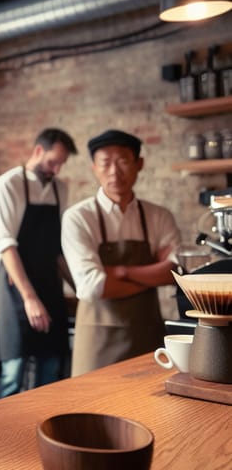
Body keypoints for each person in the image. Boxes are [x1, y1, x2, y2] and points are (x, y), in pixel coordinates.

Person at [61, 129, 181, 376]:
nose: (114, 172)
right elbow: (91, 286)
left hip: (149, 340)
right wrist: (151, 276)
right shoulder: (78, 217)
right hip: (96, 344)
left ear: (140, 164)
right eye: (105, 163)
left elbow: (174, 271)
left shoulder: (158, 216)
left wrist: (121, 271)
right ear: (94, 167)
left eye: (124, 161)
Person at [0, 128, 77, 398]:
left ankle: (42, 429)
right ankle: (3, 433)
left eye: (61, 164)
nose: (56, 170)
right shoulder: (7, 185)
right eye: (52, 162)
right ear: (38, 151)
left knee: (51, 369)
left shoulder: (60, 189)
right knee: (14, 372)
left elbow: (58, 250)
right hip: (16, 289)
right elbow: (5, 247)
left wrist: (80, 289)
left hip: (50, 285)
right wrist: (29, 298)